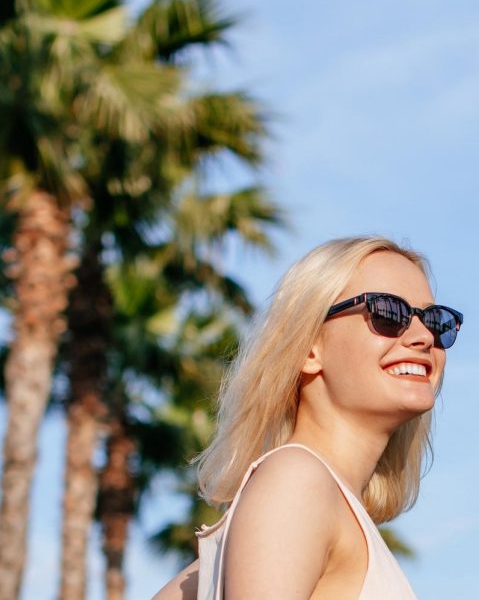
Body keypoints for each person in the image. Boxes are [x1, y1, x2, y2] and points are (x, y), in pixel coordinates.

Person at [151, 236, 459, 600]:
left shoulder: (288, 509)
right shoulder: (296, 481)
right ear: (309, 348)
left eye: (437, 321)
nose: (423, 336)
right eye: (389, 312)